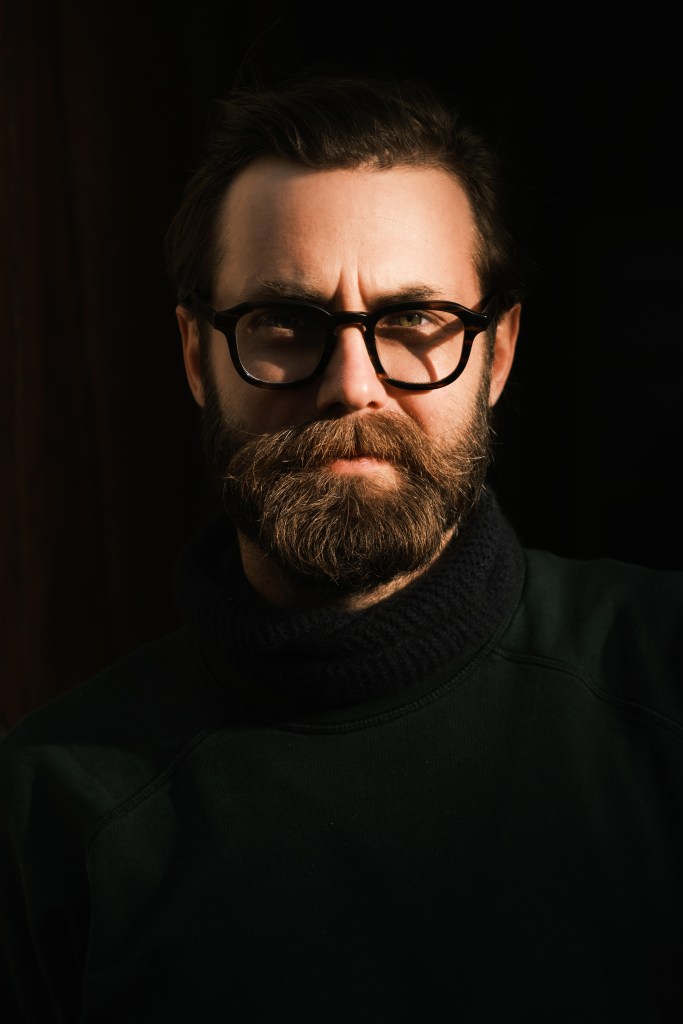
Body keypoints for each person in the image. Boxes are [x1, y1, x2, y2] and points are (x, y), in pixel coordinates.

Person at [1, 67, 682, 1024]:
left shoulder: (664, 675)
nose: (353, 384)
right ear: (197, 357)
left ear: (497, 354)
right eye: (285, 323)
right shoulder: (44, 812)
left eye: (413, 321)